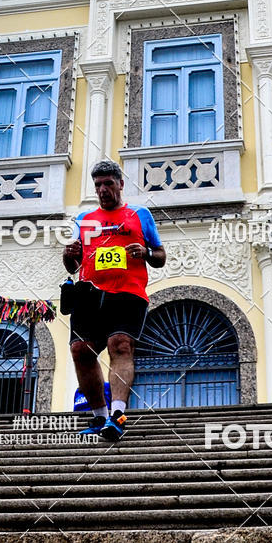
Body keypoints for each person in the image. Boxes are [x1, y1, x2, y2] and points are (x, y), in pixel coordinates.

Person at [62, 159, 166, 441]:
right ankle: (99, 417)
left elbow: (160, 256)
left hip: (127, 292)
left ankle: (118, 415)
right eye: (98, 185)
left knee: (119, 345)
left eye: (108, 183)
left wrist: (144, 252)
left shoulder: (139, 214)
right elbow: (71, 265)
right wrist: (69, 254)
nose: (103, 189)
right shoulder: (83, 220)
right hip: (88, 292)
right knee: (81, 351)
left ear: (120, 184)